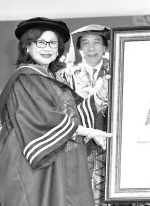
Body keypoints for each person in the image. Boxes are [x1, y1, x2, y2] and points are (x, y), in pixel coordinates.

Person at [0, 17, 112, 206]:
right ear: (27, 47)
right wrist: (89, 131)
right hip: (35, 163)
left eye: (53, 43)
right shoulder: (26, 79)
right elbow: (47, 119)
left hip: (58, 159)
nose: (47, 48)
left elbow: (74, 115)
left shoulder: (54, 78)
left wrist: (100, 95)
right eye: (40, 42)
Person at [59, 24, 111, 205]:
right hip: (78, 147)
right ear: (79, 48)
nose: (91, 48)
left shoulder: (119, 71)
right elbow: (62, 114)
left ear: (105, 47)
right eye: (85, 43)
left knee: (109, 195)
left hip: (111, 148)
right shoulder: (65, 76)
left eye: (97, 42)